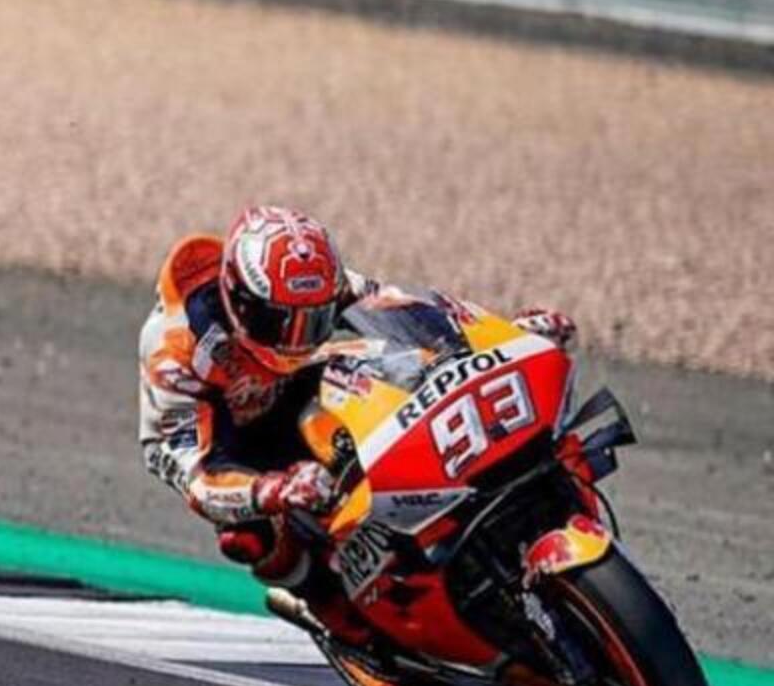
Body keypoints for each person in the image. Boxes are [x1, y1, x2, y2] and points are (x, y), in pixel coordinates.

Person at [136, 207, 576, 652]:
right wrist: (271, 489)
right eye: (280, 322)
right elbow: (193, 472)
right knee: (246, 536)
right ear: (239, 302)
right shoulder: (176, 351)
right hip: (229, 441)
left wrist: (503, 335)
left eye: (313, 319)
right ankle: (329, 607)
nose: (297, 338)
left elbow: (411, 313)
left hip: (302, 391)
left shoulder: (325, 284)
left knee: (394, 368)